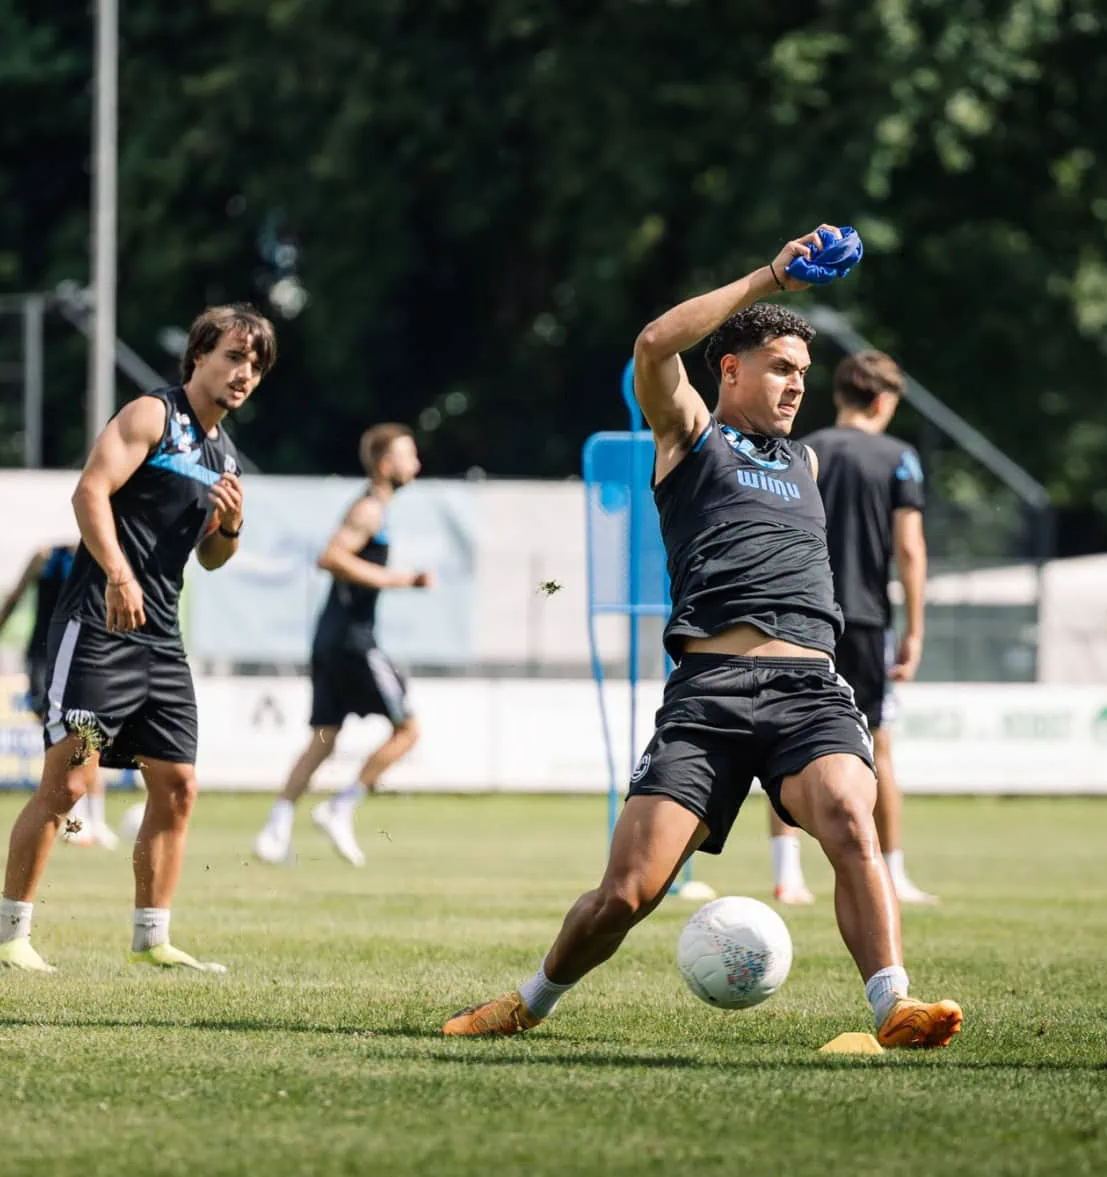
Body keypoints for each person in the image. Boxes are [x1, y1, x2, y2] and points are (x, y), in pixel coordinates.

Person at [442, 227, 961, 1047]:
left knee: (851, 820)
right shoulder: (690, 437)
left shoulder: (807, 463)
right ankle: (529, 1002)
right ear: (730, 369)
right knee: (627, 892)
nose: (797, 384)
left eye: (803, 372)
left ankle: (893, 1005)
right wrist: (769, 279)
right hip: (709, 696)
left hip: (809, 692)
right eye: (781, 368)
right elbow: (654, 344)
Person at [0, 303, 274, 973]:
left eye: (255, 366)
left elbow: (212, 560)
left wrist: (231, 526)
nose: (244, 373)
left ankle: (152, 940)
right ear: (198, 357)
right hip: (98, 627)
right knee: (69, 783)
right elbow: (89, 493)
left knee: (178, 786)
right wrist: (118, 573)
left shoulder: (224, 455)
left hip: (160, 640)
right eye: (234, 357)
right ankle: (11, 937)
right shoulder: (152, 416)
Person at [769, 350, 934, 906]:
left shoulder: (801, 450)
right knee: (877, 744)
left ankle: (788, 875)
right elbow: (909, 548)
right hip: (864, 618)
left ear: (839, 395)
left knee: (785, 741)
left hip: (800, 614)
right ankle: (893, 873)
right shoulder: (899, 457)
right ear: (883, 401)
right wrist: (915, 629)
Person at [254, 423, 433, 867]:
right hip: (353, 641)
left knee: (324, 738)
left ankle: (275, 830)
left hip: (330, 637)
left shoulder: (374, 508)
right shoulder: (370, 509)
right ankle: (341, 806)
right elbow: (331, 557)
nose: (416, 463)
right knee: (408, 730)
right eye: (408, 455)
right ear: (386, 465)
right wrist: (403, 580)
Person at [0, 543, 119, 850]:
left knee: (89, 735)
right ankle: (77, 820)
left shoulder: (99, 553)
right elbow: (13, 599)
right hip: (44, 656)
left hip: (84, 655)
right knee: (62, 736)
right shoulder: (44, 558)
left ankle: (96, 820)